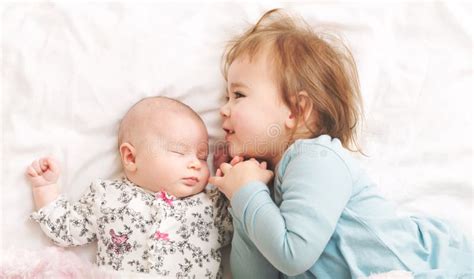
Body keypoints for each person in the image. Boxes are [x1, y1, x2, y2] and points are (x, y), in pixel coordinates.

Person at [209, 9, 472, 278]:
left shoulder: (314, 157)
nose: (223, 110)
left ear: (296, 110)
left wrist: (248, 192)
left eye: (238, 95)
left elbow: (293, 256)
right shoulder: (266, 194)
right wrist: (242, 203)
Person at [27, 96, 232, 277]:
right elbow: (67, 229)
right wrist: (45, 188)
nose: (196, 164)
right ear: (131, 157)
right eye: (179, 152)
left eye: (203, 157)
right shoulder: (107, 197)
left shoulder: (211, 204)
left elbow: (240, 226)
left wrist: (230, 176)